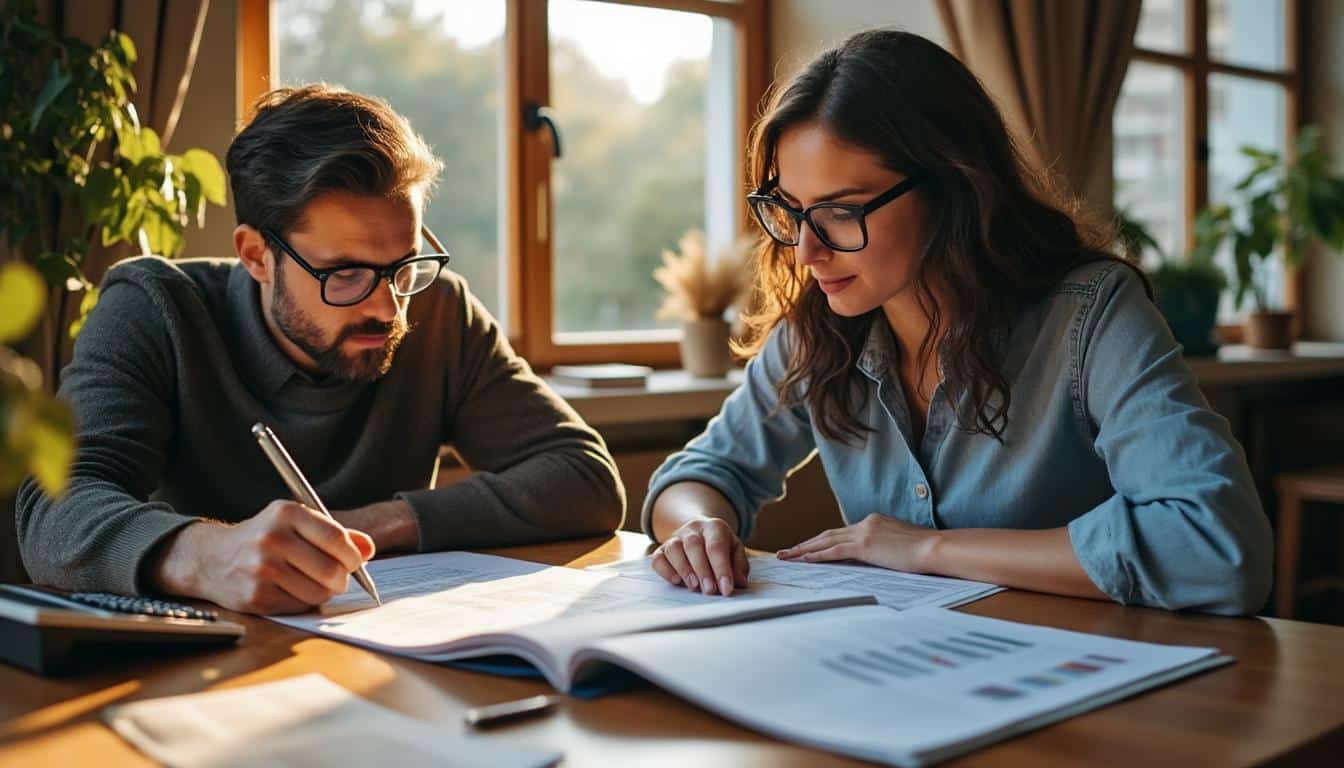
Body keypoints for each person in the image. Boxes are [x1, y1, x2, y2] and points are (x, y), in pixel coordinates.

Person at [643, 30, 1272, 616]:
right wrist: (700, 524)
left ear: (951, 189)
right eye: (790, 210)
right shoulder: (820, 328)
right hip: (905, 679)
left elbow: (1216, 543)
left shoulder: (1089, 317)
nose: (806, 251)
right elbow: (700, 476)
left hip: (1095, 679)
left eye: (840, 212)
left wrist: (925, 550)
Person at [16, 85, 624, 614]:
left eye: (404, 265)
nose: (389, 308)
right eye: (347, 273)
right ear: (257, 255)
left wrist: (377, 526)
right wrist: (207, 556)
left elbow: (586, 479)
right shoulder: (154, 309)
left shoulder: (438, 312)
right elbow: (53, 513)